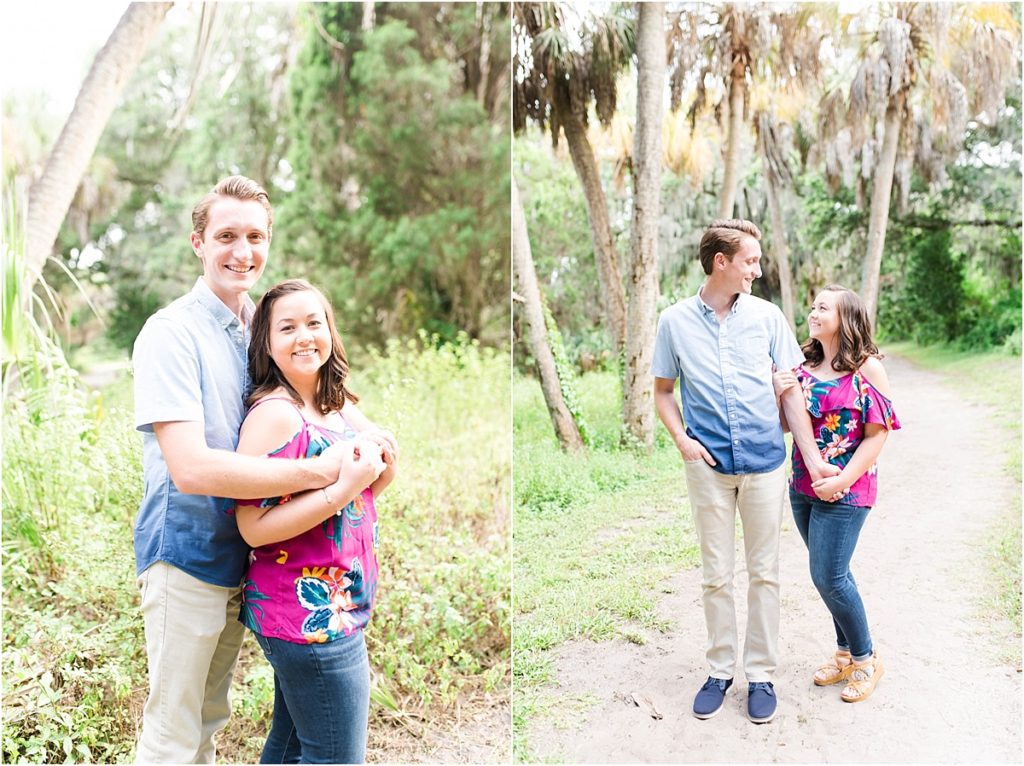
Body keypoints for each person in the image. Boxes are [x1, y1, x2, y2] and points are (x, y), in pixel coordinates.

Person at [132, 176, 353, 763]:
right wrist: (323, 475)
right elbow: (192, 469)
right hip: (185, 554)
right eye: (226, 235)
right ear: (198, 243)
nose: (242, 250)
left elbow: (309, 399)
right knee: (173, 732)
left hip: (245, 558)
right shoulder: (171, 333)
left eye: (255, 235)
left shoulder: (258, 325)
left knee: (208, 718)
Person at [651, 219, 841, 724]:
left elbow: (790, 392)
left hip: (764, 465)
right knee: (716, 576)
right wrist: (682, 440)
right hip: (708, 468)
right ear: (722, 262)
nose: (757, 270)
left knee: (765, 575)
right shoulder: (673, 322)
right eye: (750, 261)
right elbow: (664, 392)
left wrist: (813, 456)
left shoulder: (768, 317)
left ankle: (761, 675)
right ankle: (719, 670)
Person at [233, 279, 398, 763]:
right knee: (334, 757)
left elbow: (364, 496)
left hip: (338, 602)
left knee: (290, 747)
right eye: (287, 327)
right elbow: (252, 526)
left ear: (330, 330)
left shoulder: (337, 405)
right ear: (266, 342)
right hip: (305, 618)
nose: (304, 336)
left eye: (314, 322)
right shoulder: (275, 415)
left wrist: (382, 465)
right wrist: (341, 487)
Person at [774, 284, 900, 703]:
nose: (813, 312)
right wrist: (778, 392)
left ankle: (866, 660)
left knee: (828, 575)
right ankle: (845, 653)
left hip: (848, 491)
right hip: (803, 486)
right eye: (813, 306)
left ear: (846, 317)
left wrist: (843, 481)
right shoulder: (803, 365)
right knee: (832, 576)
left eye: (823, 307)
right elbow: (788, 426)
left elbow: (877, 435)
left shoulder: (867, 368)